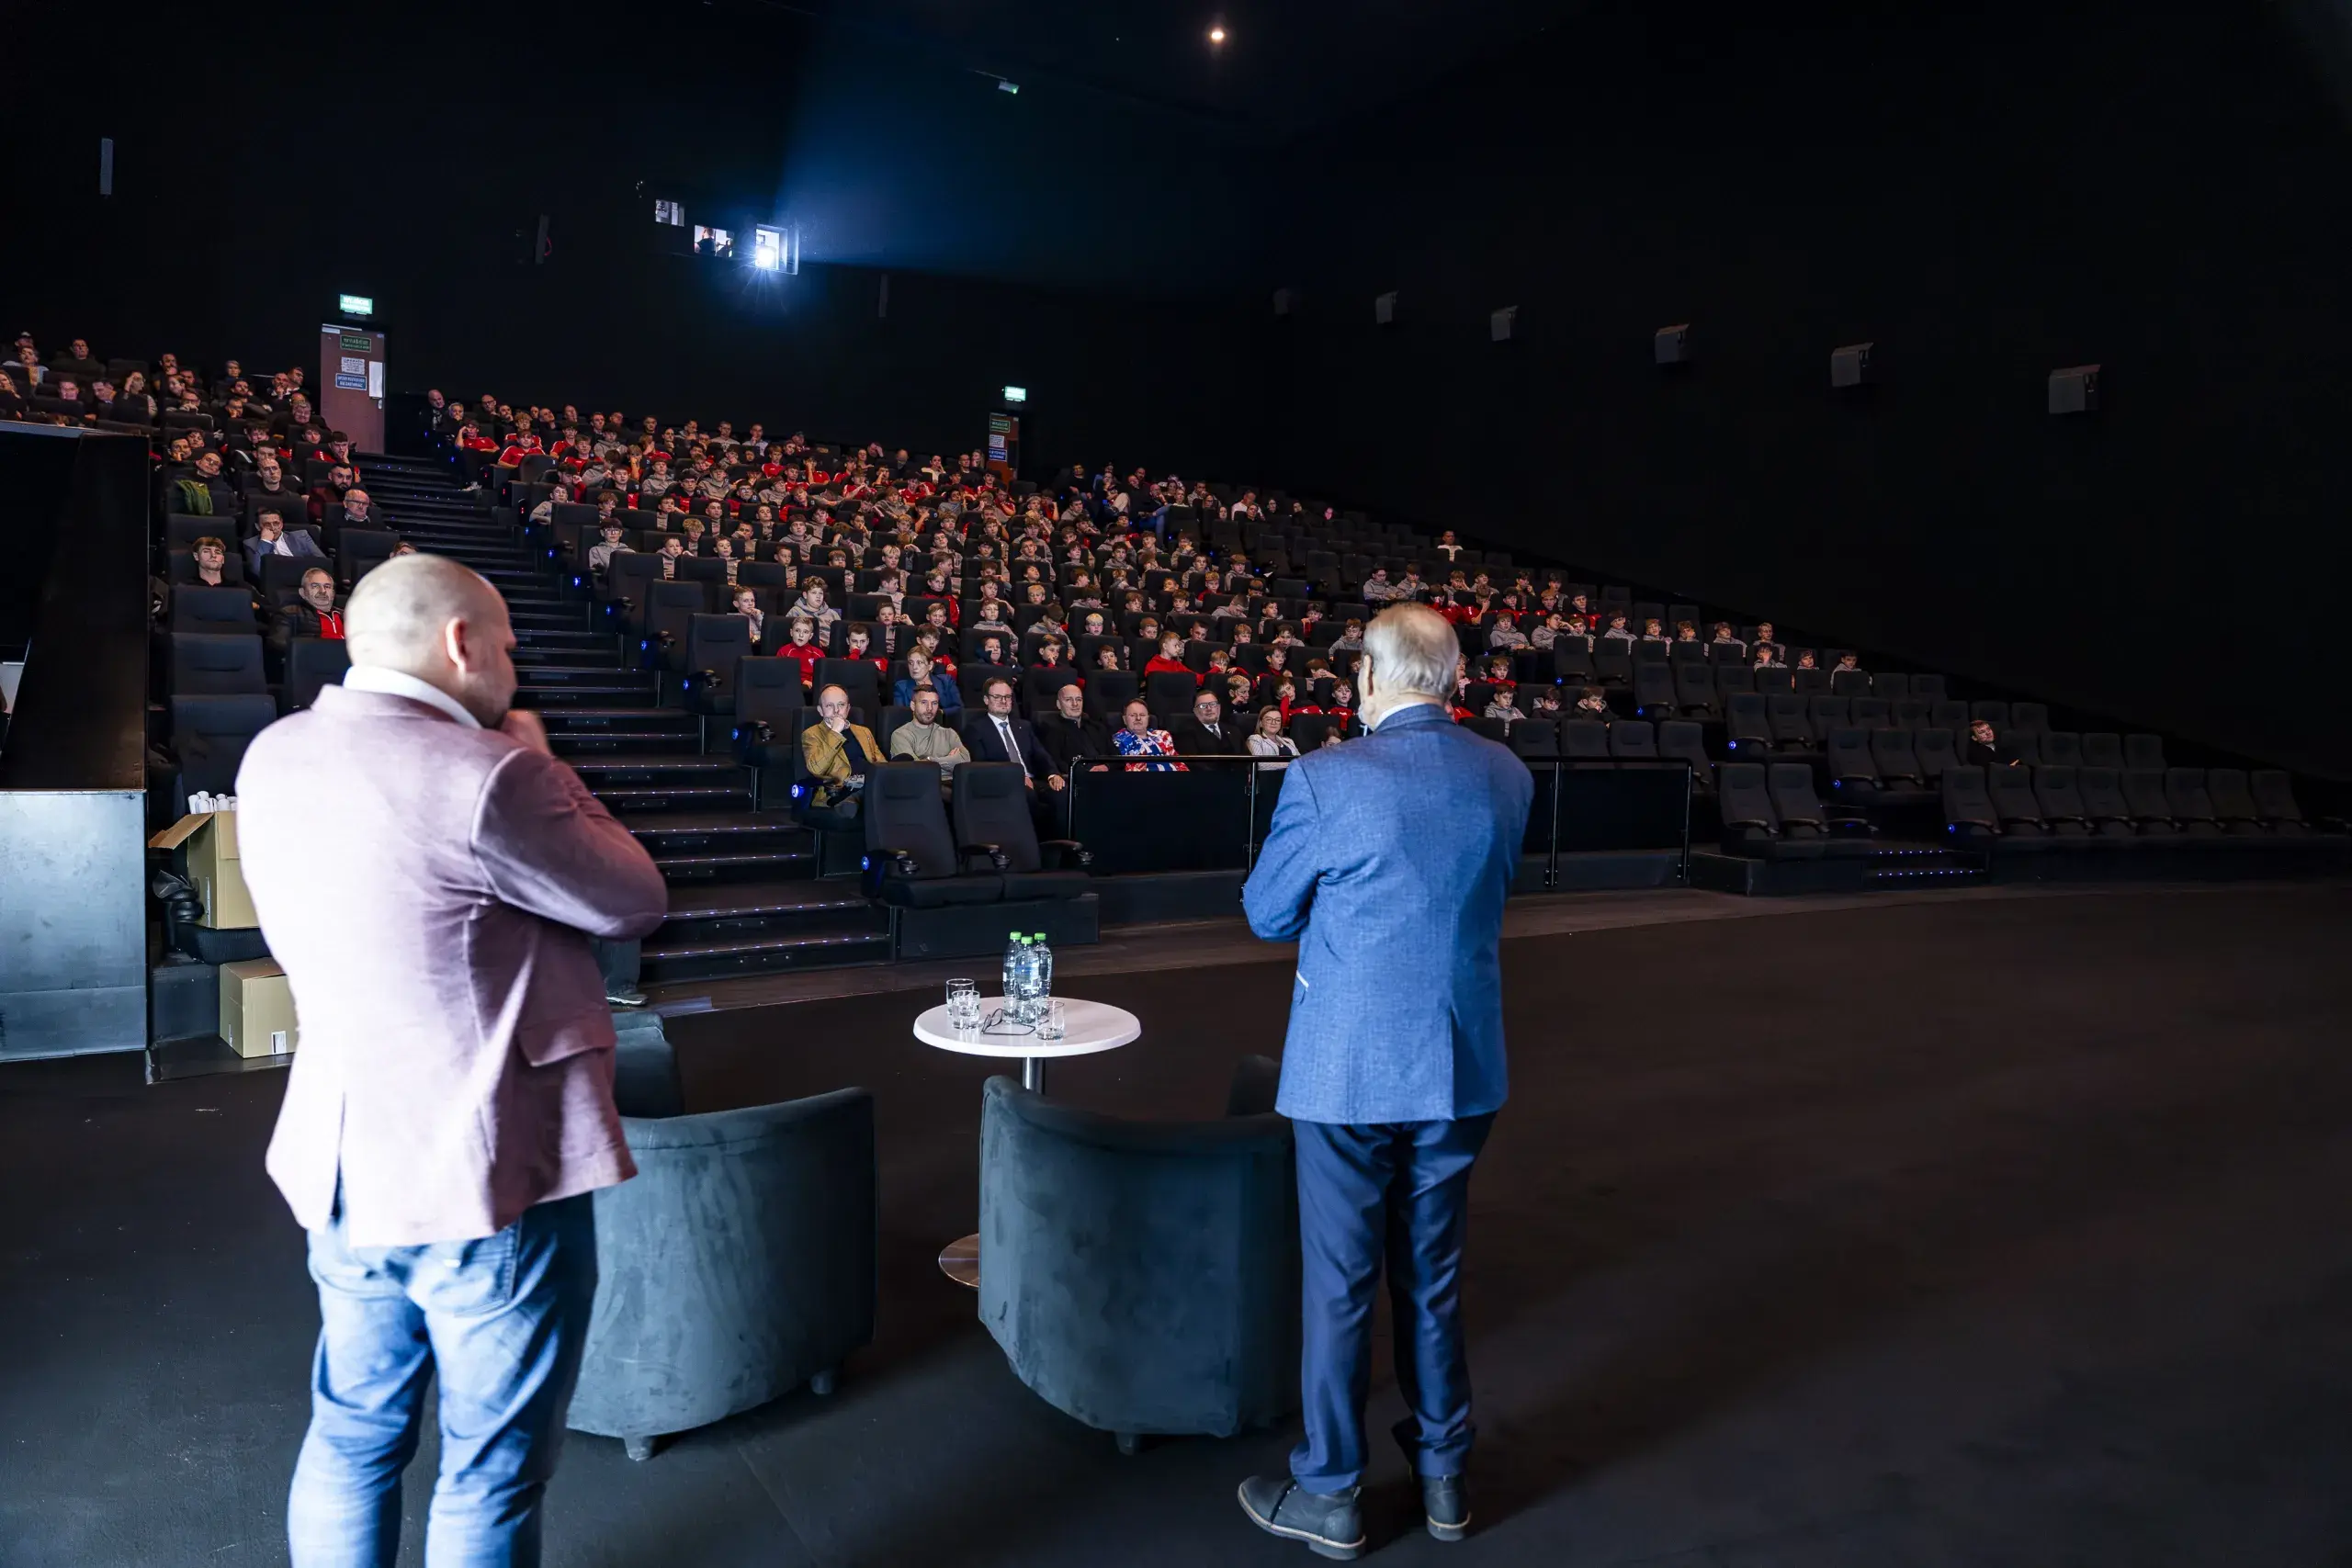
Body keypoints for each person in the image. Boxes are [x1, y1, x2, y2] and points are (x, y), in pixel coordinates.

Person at [233, 554, 669, 1568]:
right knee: (491, 1465)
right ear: (460, 643)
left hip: (340, 1163)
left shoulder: (276, 752)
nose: (514, 667)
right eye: (509, 646)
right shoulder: (492, 774)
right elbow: (632, 899)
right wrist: (545, 763)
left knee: (351, 1434)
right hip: (482, 1174)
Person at [1236, 604, 1532, 1560]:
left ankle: (1329, 1493)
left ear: (1371, 677)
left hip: (1348, 1073)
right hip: (1460, 1067)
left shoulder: (1325, 779)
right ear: (1450, 680)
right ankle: (1446, 1481)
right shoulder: (1507, 774)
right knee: (1431, 1279)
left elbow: (1267, 913)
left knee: (1339, 1288)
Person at [797, 684, 884, 829]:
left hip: (870, 784)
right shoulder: (812, 734)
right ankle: (855, 798)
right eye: (830, 706)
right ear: (820, 710)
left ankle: (856, 799)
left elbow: (882, 765)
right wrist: (836, 733)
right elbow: (816, 768)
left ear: (848, 708)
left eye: (841, 705)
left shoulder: (864, 732)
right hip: (839, 791)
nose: (837, 711)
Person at [888, 686, 970, 784]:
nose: (930, 708)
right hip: (920, 787)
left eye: (934, 703)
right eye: (924, 702)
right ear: (913, 706)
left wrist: (929, 759)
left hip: (953, 786)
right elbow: (914, 770)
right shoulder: (900, 735)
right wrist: (950, 762)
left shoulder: (949, 733)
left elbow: (965, 761)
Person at [1035, 682, 1112, 772]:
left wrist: (1106, 766)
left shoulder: (1097, 727)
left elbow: (1116, 756)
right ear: (1059, 704)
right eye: (1068, 700)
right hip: (1075, 779)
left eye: (1079, 700)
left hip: (1106, 777)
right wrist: (1084, 772)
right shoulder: (1050, 728)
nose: (1075, 704)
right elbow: (1054, 762)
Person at [271, 569, 347, 654]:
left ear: (333, 594)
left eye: (327, 586)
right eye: (315, 586)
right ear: (303, 593)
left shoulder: (347, 615)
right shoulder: (289, 613)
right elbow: (277, 645)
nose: (323, 591)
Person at [1112, 699, 1184, 772]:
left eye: (1142, 715)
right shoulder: (1120, 739)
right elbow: (1133, 769)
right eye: (1133, 715)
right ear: (1124, 719)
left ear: (1148, 718)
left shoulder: (1163, 735)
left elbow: (1178, 763)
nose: (1138, 718)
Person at [245, 510, 326, 573]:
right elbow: (258, 571)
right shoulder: (250, 544)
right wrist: (265, 542)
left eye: (276, 523)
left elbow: (323, 562)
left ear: (281, 524)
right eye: (267, 524)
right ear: (258, 527)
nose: (273, 528)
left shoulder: (301, 536)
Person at [1174, 690, 1240, 754]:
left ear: (1219, 708)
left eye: (1213, 704)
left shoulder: (1234, 730)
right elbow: (1192, 763)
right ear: (1195, 711)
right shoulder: (1186, 733)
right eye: (1203, 706)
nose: (1209, 708)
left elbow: (1247, 761)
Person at [1247, 705, 1301, 769]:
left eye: (1278, 720)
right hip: (1269, 777)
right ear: (1261, 723)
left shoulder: (1289, 741)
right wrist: (1291, 765)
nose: (1273, 722)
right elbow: (1259, 764)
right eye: (1269, 719)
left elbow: (1300, 761)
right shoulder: (1255, 739)